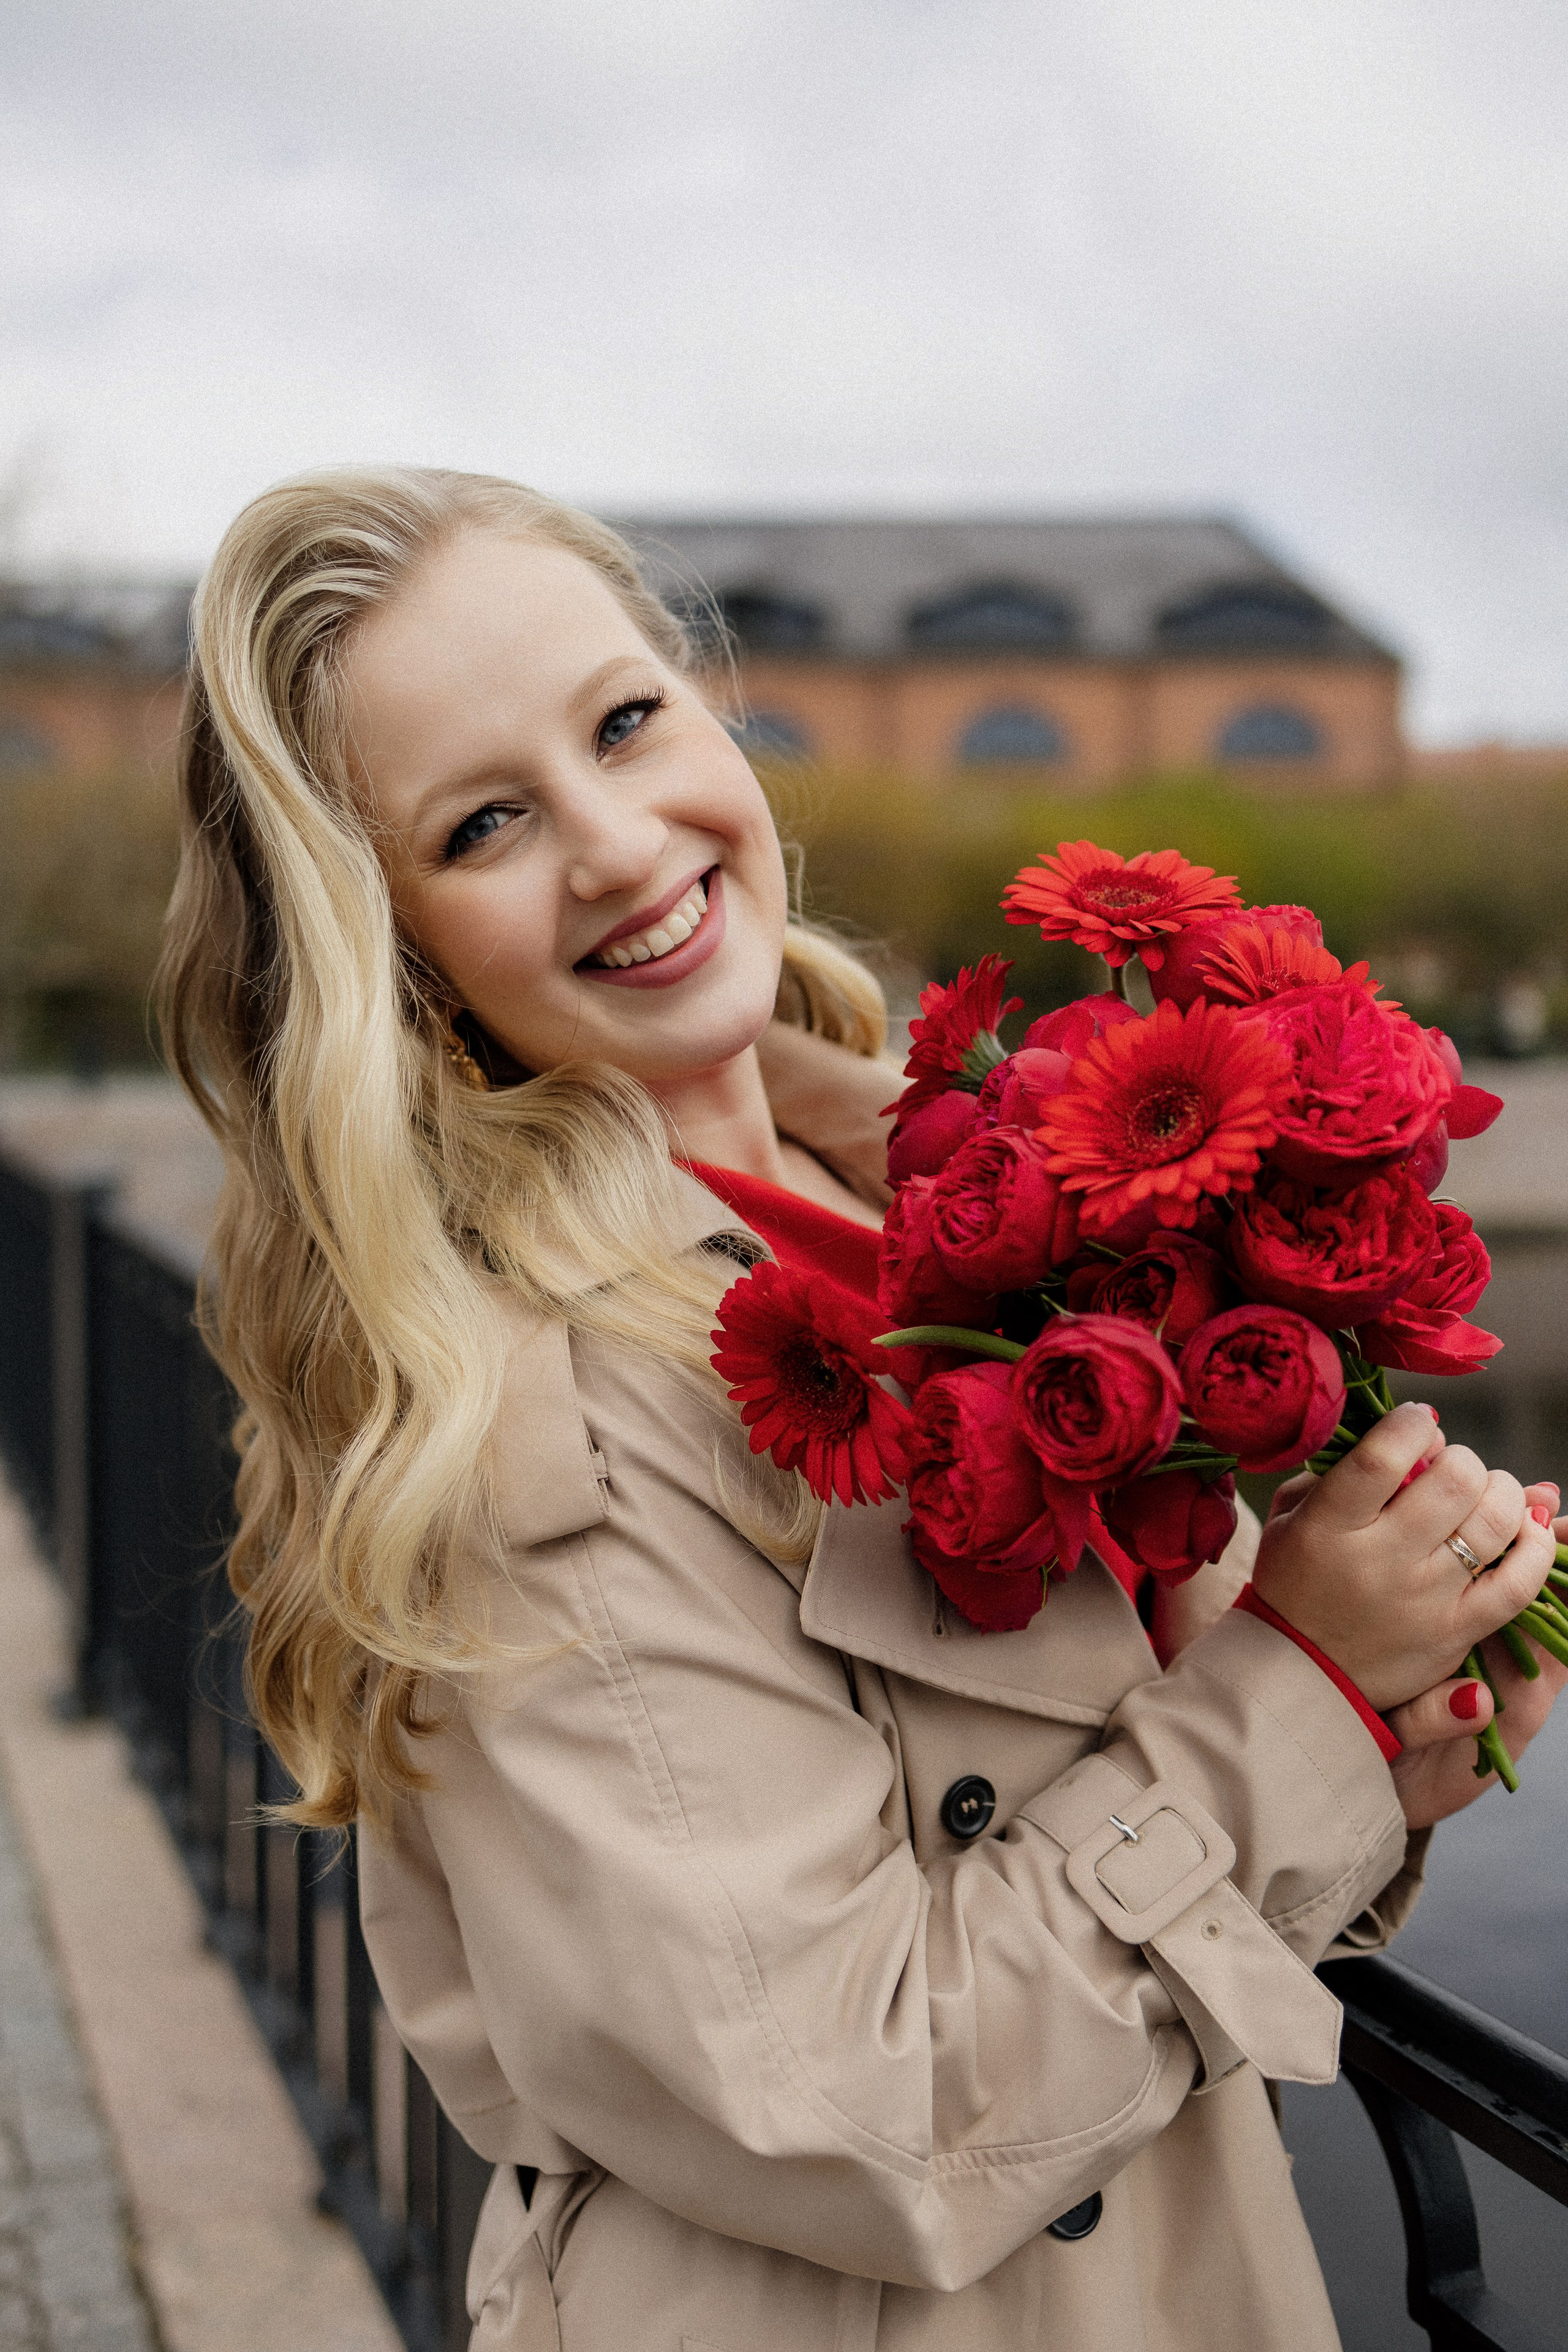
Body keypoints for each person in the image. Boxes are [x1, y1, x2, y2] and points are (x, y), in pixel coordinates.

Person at [158, 467, 1567, 2352]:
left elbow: (1102, 1855)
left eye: (624, 723)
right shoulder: (530, 1429)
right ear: (389, 950)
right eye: (486, 823)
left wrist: (1380, 1754)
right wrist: (1300, 1687)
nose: (618, 844)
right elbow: (862, 2110)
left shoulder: (936, 1201)